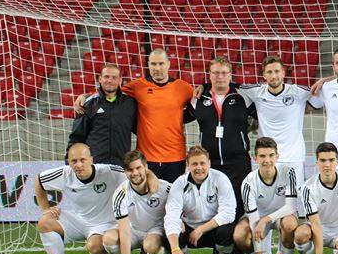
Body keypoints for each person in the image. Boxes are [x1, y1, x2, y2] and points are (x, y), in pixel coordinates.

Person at [76, 48, 195, 183]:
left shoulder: (183, 88)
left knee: (173, 195)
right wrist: (86, 96)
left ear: (168, 64)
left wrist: (203, 88)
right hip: (146, 157)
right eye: (153, 64)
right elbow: (110, 91)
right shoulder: (138, 86)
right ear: (148, 65)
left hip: (176, 157)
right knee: (148, 195)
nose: (157, 68)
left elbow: (200, 101)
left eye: (161, 63)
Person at [34, 143, 127, 254]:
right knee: (45, 222)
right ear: (68, 162)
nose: (78, 165)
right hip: (79, 220)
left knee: (94, 247)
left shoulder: (110, 172)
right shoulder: (64, 174)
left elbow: (135, 176)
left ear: (91, 160)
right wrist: (45, 209)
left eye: (83, 160)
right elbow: (39, 181)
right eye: (74, 161)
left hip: (104, 224)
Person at [187, 56, 256, 222]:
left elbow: (263, 113)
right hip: (211, 163)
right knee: (214, 207)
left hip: (238, 163)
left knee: (239, 207)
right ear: (209, 75)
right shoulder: (199, 98)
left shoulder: (243, 96)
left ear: (230, 75)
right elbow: (181, 117)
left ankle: (238, 238)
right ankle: (217, 238)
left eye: (224, 73)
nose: (220, 77)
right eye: (215, 73)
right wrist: (202, 87)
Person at [238, 56, 313, 195]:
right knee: (267, 198)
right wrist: (204, 87)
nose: (274, 76)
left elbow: (322, 90)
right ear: (264, 75)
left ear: (283, 73)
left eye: (277, 71)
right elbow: (232, 87)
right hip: (267, 157)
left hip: (293, 156)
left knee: (292, 199)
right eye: (269, 72)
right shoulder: (256, 92)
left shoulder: (298, 92)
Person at [163, 146, 238, 254]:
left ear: (209, 163)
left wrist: (201, 229)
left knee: (226, 229)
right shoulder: (179, 183)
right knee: (169, 231)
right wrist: (175, 249)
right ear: (187, 165)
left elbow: (229, 213)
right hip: (190, 230)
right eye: (194, 164)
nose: (199, 168)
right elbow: (171, 216)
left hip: (212, 229)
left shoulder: (220, 178)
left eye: (202, 163)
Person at [235, 137, 299, 254]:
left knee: (290, 224)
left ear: (277, 156)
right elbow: (253, 220)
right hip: (257, 219)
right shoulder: (248, 183)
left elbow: (290, 207)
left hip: (281, 216)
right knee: (239, 235)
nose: (267, 160)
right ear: (255, 158)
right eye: (262, 156)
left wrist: (265, 220)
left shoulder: (288, 172)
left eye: (271, 155)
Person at [103, 150, 171, 254]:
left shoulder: (164, 187)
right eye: (130, 170)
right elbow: (124, 231)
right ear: (125, 172)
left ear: (146, 167)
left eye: (138, 168)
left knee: (150, 245)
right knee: (108, 239)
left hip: (155, 230)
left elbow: (179, 206)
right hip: (133, 230)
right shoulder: (120, 194)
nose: (134, 173)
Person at [68, 63, 137, 166]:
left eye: (114, 77)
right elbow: (76, 137)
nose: (110, 80)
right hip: (94, 166)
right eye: (106, 77)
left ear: (120, 80)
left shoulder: (130, 104)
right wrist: (69, 162)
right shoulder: (88, 104)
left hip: (121, 166)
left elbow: (141, 130)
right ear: (100, 79)